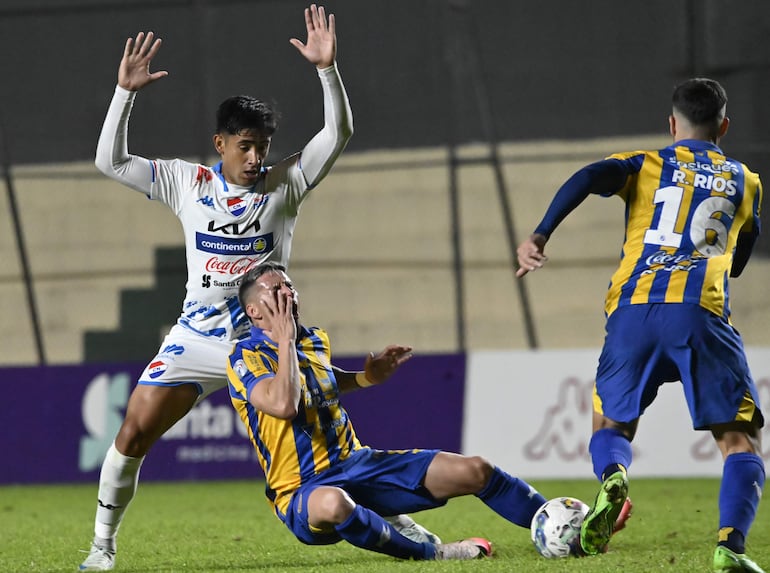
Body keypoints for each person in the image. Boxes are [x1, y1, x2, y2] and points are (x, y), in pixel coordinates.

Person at [79, 6, 437, 571]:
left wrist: (327, 70)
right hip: (196, 338)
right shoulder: (185, 182)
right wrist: (125, 94)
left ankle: (392, 514)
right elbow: (109, 161)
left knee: (322, 437)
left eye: (262, 145)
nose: (255, 156)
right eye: (244, 145)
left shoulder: (285, 184)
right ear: (219, 143)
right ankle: (102, 547)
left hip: (266, 339)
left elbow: (338, 133)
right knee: (130, 433)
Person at [516, 77, 765, 573]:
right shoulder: (746, 180)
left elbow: (587, 176)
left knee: (609, 422)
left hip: (632, 310)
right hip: (700, 313)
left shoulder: (647, 164)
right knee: (739, 441)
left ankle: (613, 474)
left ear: (672, 124)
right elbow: (740, 254)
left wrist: (540, 234)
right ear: (725, 125)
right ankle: (730, 547)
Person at [225, 262, 556, 561]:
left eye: (289, 286)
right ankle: (433, 553)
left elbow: (321, 382)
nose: (288, 294)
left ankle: (559, 526)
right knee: (335, 504)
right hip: (302, 489)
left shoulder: (313, 340)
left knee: (476, 470)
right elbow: (284, 404)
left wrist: (367, 377)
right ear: (254, 310)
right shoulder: (245, 357)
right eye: (276, 289)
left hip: (358, 463)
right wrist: (284, 342)